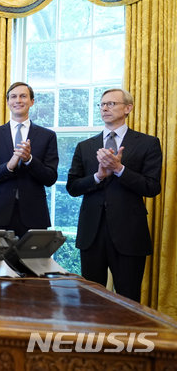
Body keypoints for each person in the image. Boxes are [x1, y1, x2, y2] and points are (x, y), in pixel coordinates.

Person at [66, 88, 162, 302]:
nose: (105, 108)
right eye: (102, 104)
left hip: (129, 234)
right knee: (91, 300)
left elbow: (152, 187)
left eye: (111, 104)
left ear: (128, 108)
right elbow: (72, 187)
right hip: (92, 234)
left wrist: (119, 169)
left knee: (128, 300)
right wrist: (98, 176)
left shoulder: (148, 143)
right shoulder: (85, 146)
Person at [0, 81, 58, 238]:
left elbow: (50, 178)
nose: (18, 100)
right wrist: (8, 166)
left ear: (32, 101)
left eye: (23, 96)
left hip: (35, 216)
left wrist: (29, 160)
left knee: (32, 256)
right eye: (13, 97)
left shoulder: (47, 136)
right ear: (8, 102)